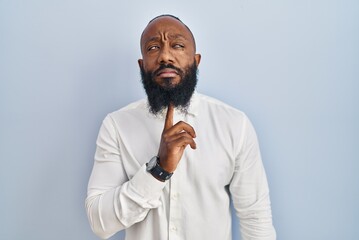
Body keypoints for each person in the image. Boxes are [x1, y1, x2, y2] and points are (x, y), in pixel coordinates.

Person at [85, 14, 276, 240]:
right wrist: (158, 171)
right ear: (141, 65)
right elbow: (100, 223)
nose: (165, 56)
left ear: (196, 61)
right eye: (154, 47)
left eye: (177, 45)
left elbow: (255, 219)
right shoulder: (116, 125)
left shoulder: (234, 124)